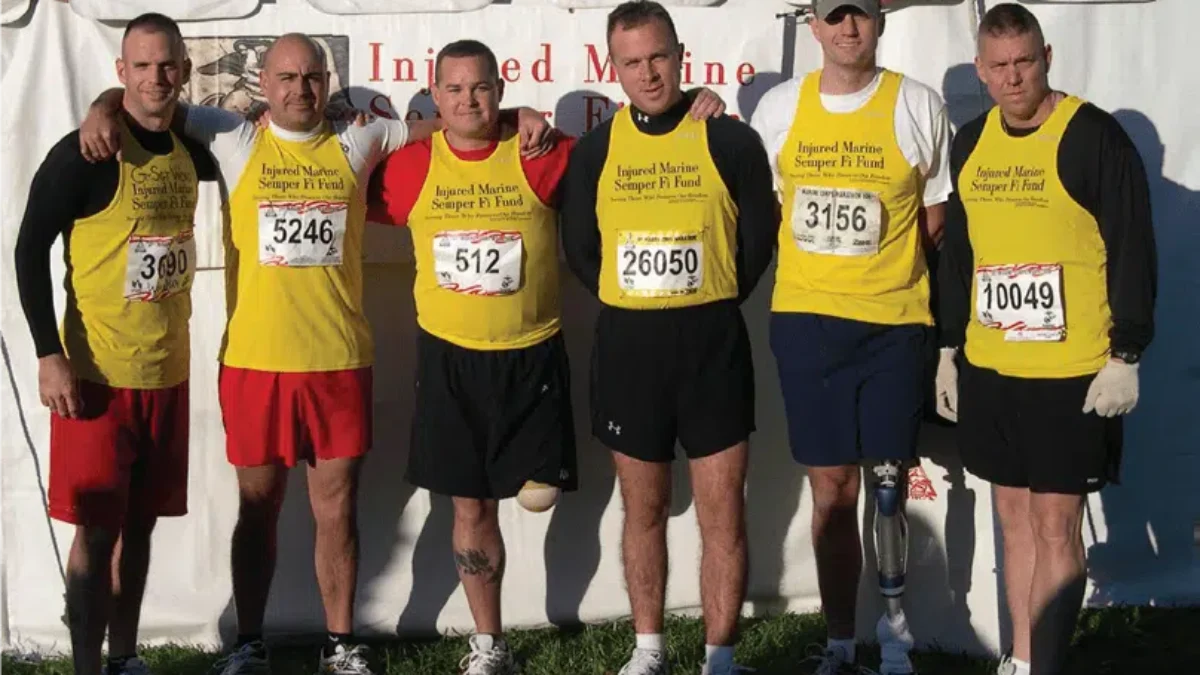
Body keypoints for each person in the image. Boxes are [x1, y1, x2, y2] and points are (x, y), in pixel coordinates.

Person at [79, 33, 554, 675]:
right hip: (256, 364)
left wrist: (519, 115)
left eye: (312, 77)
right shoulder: (233, 137)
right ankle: (249, 644)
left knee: (337, 511)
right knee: (257, 510)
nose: (300, 89)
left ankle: (340, 644)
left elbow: (454, 121)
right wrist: (103, 107)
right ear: (264, 84)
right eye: (287, 77)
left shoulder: (363, 138)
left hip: (338, 363)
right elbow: (150, 101)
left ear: (327, 84)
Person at [367, 37, 725, 675]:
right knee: (470, 507)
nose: (468, 100)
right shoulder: (412, 167)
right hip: (450, 362)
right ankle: (489, 644)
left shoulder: (540, 153)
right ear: (435, 96)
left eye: (481, 88)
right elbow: (344, 175)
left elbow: (633, 151)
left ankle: (571, 614)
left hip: (531, 357)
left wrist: (700, 108)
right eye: (454, 90)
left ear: (500, 90)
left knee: (540, 498)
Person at [934, 5, 1155, 675]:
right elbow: (960, 255)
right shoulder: (971, 142)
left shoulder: (1094, 138)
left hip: (1070, 374)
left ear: (1047, 58)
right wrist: (948, 348)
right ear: (981, 70)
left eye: (1025, 62)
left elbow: (1132, 248)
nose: (1013, 78)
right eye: (999, 66)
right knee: (1014, 521)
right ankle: (1022, 660)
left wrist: (1127, 352)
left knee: (1057, 528)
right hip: (993, 370)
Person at [559, 2, 778, 674]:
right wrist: (638, 298)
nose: (648, 73)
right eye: (632, 62)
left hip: (712, 344)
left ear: (681, 55)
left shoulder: (730, 141)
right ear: (613, 67)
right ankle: (647, 650)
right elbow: (581, 251)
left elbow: (757, 244)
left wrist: (707, 296)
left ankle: (720, 657)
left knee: (723, 513)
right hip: (630, 349)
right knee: (643, 508)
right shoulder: (595, 151)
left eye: (658, 57)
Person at [749, 1, 953, 673]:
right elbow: (769, 209)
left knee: (890, 485)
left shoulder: (918, 105)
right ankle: (840, 644)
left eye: (859, 14)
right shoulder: (779, 108)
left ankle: (896, 641)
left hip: (893, 323)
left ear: (879, 21)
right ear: (813, 26)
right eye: (834, 17)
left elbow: (934, 219)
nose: (848, 29)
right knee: (832, 489)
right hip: (808, 322)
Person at [13, 13, 217, 675]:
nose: (157, 77)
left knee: (142, 525)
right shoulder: (87, 152)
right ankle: (86, 666)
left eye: (168, 65)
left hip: (167, 372)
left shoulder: (193, 145)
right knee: (96, 531)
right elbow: (27, 248)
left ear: (184, 69)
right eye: (143, 66)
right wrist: (48, 353)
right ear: (122, 71)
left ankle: (124, 657)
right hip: (97, 377)